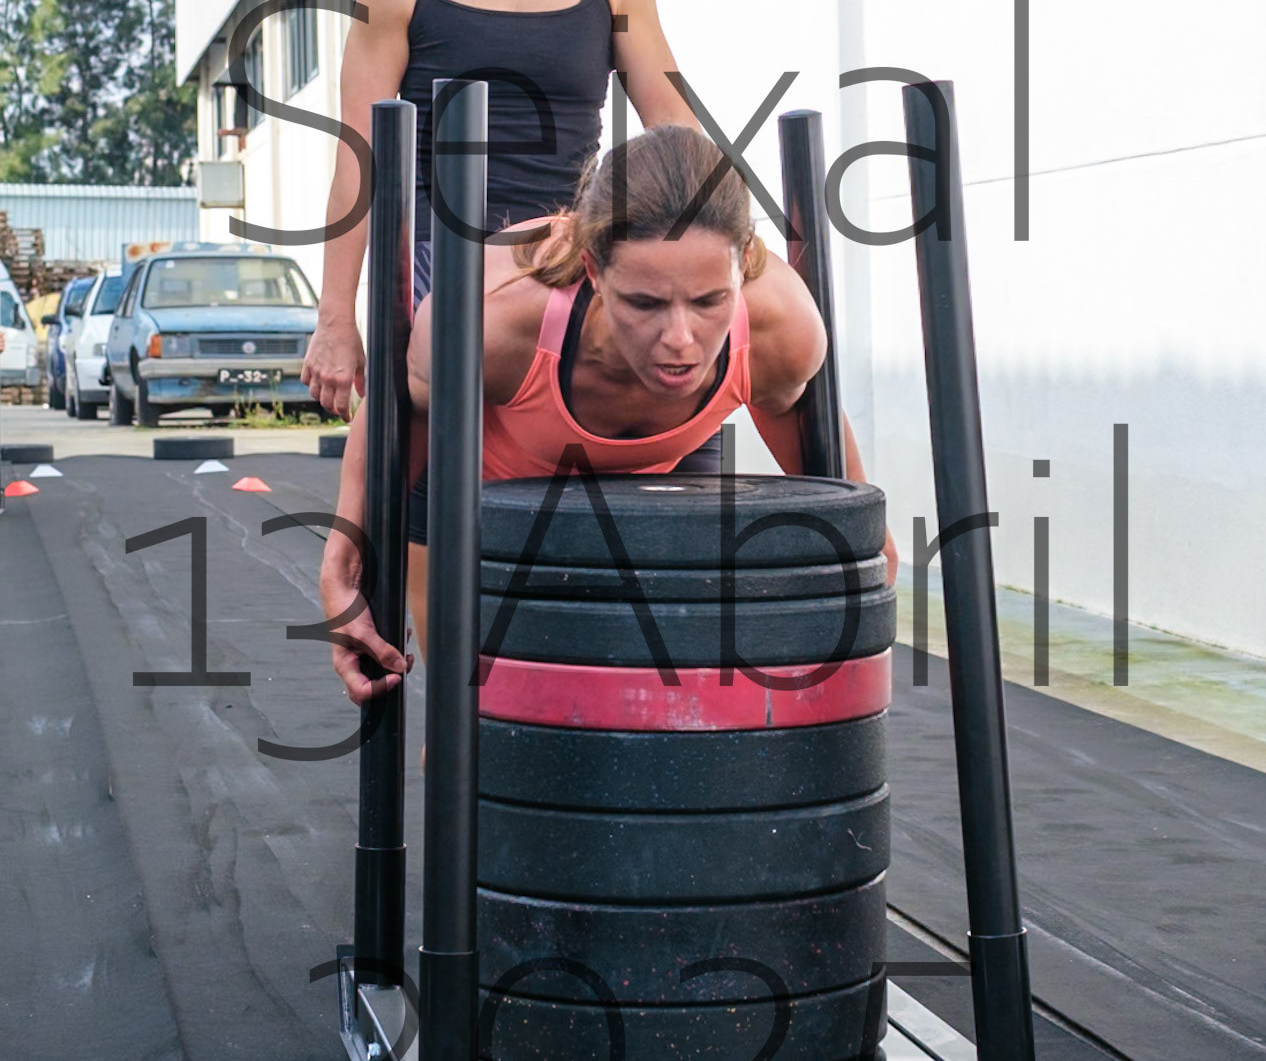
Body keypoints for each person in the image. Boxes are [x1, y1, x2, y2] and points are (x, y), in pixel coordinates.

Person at [301, 0, 699, 646]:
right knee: (439, 577)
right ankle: (437, 672)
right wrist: (336, 317)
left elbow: (674, 126)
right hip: (443, 261)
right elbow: (358, 158)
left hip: (565, 251)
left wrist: (729, 229)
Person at [321, 125, 898, 705]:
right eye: (644, 303)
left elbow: (818, 460)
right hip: (484, 484)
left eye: (709, 301)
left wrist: (867, 550)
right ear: (594, 270)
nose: (680, 339)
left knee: (669, 706)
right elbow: (403, 415)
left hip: (654, 473)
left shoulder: (782, 331)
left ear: (744, 262)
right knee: (478, 718)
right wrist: (348, 560)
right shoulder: (492, 323)